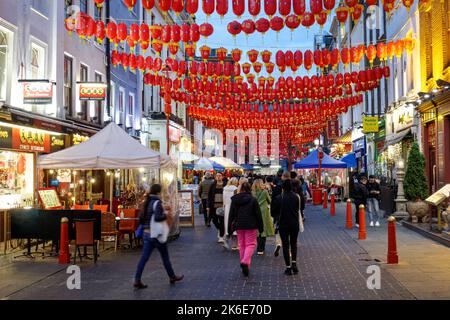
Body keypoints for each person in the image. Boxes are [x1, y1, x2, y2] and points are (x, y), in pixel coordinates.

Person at [134, 184, 184, 289]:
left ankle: (137, 279)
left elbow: (143, 218)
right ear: (158, 192)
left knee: (144, 258)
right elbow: (157, 217)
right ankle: (172, 276)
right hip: (156, 234)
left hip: (147, 234)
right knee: (165, 256)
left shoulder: (146, 202)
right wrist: (165, 215)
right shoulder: (157, 202)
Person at [228, 182, 264, 277]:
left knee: (242, 244)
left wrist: (229, 228)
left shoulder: (235, 199)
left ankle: (245, 265)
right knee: (251, 244)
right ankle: (245, 262)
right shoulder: (253, 200)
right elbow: (258, 215)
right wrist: (261, 227)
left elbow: (231, 214)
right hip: (251, 225)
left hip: (239, 225)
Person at [272, 179, 300, 276]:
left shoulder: (279, 198)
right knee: (294, 243)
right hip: (294, 223)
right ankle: (294, 263)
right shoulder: (296, 197)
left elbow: (273, 212)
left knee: (285, 244)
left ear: (283, 187)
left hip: (283, 224)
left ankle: (288, 267)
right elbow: (298, 209)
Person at [252, 179, 275, 255]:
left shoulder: (252, 193)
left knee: (257, 230)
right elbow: (270, 201)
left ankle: (259, 247)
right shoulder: (264, 192)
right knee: (263, 230)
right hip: (263, 211)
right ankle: (261, 248)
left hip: (254, 212)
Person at [208, 172, 226, 243]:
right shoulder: (212, 185)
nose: (218, 177)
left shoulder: (225, 185)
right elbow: (209, 196)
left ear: (222, 177)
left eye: (220, 175)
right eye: (217, 176)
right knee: (214, 220)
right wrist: (208, 206)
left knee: (222, 221)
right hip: (214, 206)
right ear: (215, 177)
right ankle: (220, 229)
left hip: (222, 206)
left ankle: (221, 237)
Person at [223, 177, 239, 250]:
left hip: (226, 207)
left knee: (227, 225)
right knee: (234, 225)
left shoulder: (225, 188)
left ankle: (225, 240)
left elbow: (224, 199)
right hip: (233, 207)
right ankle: (234, 245)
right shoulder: (235, 189)